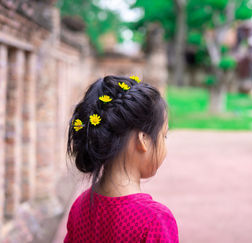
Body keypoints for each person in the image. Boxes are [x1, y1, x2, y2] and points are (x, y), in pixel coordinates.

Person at [64, 75, 178, 242]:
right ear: (143, 139)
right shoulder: (154, 220)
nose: (164, 145)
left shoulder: (81, 207)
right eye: (164, 136)